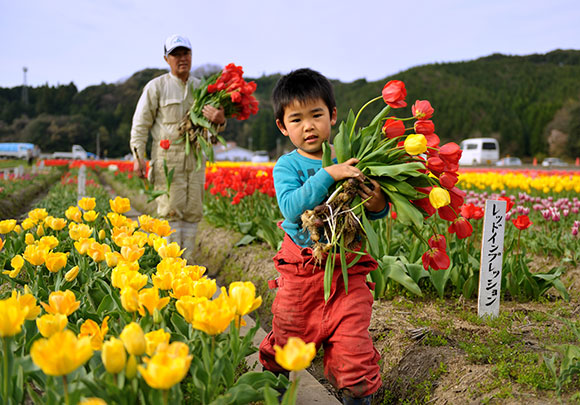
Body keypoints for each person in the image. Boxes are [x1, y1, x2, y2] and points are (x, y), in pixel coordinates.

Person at [258, 68, 387, 405]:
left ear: (332, 115)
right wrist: (329, 174)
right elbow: (290, 208)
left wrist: (377, 201)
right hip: (302, 269)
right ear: (283, 127)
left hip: (348, 271)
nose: (308, 126)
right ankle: (273, 388)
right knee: (288, 339)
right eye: (297, 119)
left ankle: (357, 395)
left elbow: (369, 212)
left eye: (316, 115)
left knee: (354, 349)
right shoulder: (288, 167)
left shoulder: (353, 155)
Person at [130, 34, 226, 261]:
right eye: (176, 54)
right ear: (166, 59)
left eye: (186, 53)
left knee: (193, 212)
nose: (182, 58)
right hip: (166, 158)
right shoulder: (156, 87)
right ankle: (170, 267)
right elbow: (140, 124)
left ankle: (188, 264)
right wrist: (138, 156)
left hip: (194, 157)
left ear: (191, 56)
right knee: (170, 211)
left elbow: (211, 132)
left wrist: (220, 120)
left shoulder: (201, 88)